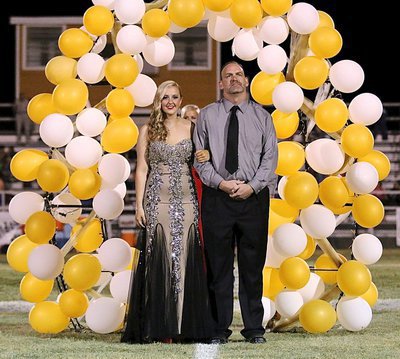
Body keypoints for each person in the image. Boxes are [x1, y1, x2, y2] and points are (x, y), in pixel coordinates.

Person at [121, 80, 213, 344]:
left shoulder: (193, 128)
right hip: (156, 200)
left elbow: (203, 157)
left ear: (181, 100)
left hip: (186, 201)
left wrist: (205, 155)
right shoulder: (148, 130)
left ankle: (182, 325)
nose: (170, 101)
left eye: (174, 96)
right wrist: (138, 205)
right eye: (165, 97)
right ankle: (158, 324)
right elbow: (141, 169)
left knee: (184, 260)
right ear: (159, 101)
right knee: (157, 259)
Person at [194, 61, 278, 344]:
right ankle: (219, 328)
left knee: (252, 266)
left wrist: (251, 186)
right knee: (218, 267)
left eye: (238, 74)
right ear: (220, 84)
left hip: (253, 199)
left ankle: (254, 328)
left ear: (246, 80)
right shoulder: (206, 116)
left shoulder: (263, 117)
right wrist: (222, 182)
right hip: (218, 197)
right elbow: (199, 157)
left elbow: (270, 159)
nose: (233, 79)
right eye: (227, 76)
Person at [182, 104, 204, 246]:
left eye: (193, 117)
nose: (190, 120)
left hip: (202, 184)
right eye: (185, 117)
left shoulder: (207, 138)